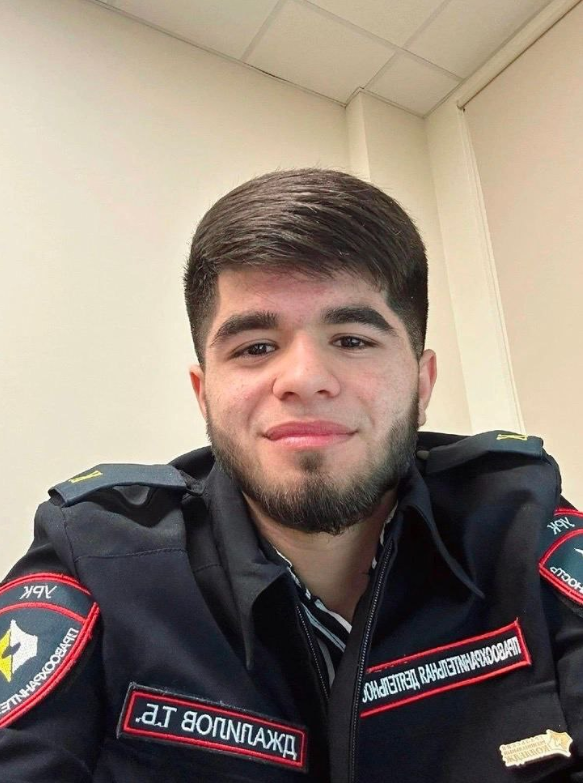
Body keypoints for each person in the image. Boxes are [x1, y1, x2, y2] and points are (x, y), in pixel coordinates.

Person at [0, 168, 580, 783]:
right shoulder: (93, 555)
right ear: (204, 393)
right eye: (255, 347)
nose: (304, 379)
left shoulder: (522, 517)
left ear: (422, 381)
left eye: (352, 340)